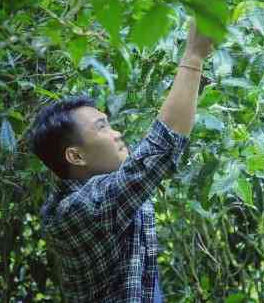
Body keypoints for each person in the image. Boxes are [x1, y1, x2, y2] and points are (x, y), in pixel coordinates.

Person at [28, 21, 213, 302]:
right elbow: (157, 152)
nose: (117, 133)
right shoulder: (75, 212)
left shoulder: (98, 189)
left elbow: (145, 160)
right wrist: (193, 56)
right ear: (75, 156)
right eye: (102, 127)